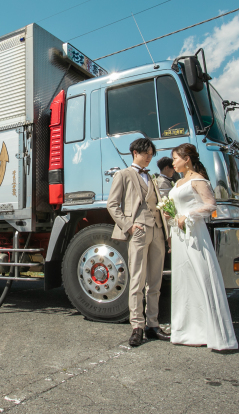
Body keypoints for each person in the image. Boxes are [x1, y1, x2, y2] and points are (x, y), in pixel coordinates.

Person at [164, 143, 237, 351]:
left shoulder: (198, 180)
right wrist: (171, 216)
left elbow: (211, 204)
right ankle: (187, 331)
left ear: (187, 159)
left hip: (194, 233)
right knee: (184, 280)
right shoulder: (177, 183)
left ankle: (211, 331)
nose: (173, 162)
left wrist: (189, 215)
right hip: (179, 235)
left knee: (201, 275)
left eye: (176, 158)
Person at [106, 137, 170, 347]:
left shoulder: (151, 177)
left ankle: (153, 323)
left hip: (157, 231)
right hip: (139, 231)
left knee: (155, 280)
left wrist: (166, 233)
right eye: (146, 154)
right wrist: (129, 226)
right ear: (135, 153)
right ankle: (137, 326)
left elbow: (158, 205)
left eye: (152, 154)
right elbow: (112, 205)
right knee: (137, 280)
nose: (150, 158)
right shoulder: (123, 175)